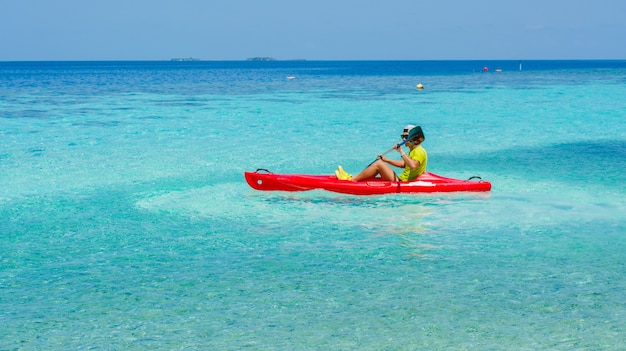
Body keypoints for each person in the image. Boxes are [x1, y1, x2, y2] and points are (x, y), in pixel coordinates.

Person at [336, 125, 427, 182]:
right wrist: (386, 160)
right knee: (381, 162)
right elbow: (405, 164)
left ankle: (351, 180)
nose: (403, 139)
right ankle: (354, 177)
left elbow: (413, 166)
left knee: (378, 164)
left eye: (406, 137)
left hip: (403, 182)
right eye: (402, 136)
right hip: (401, 179)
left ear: (412, 138)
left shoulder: (419, 151)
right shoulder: (413, 150)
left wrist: (401, 152)